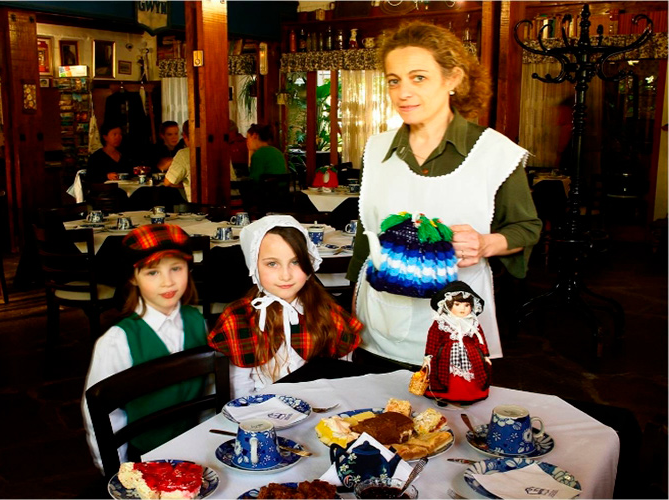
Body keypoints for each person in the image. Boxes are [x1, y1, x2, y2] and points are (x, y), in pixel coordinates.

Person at [347, 22, 541, 371]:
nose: (403, 92)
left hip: (455, 325)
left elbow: (526, 227)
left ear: (453, 79)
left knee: (446, 421)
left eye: (418, 77)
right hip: (377, 322)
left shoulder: (495, 154)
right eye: (394, 80)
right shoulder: (375, 150)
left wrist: (486, 243)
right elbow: (366, 236)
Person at [81, 224, 208, 472]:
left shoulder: (198, 323)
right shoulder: (117, 342)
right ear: (133, 277)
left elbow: (208, 391)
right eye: (153, 272)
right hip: (146, 459)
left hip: (197, 448)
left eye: (176, 268)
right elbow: (104, 415)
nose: (168, 281)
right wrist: (115, 470)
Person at [208, 215, 362, 397]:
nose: (285, 275)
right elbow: (239, 387)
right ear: (254, 266)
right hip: (261, 412)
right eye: (272, 264)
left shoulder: (327, 312)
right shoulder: (240, 318)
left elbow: (342, 375)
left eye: (295, 262)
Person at [424, 281, 491, 406]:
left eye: (467, 305)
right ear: (448, 305)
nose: (462, 308)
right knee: (443, 374)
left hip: (470, 354)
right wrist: (428, 356)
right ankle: (442, 396)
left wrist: (485, 355)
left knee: (472, 373)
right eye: (457, 304)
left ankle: (467, 396)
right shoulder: (441, 321)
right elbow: (432, 339)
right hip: (445, 354)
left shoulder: (472, 322)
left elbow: (480, 338)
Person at [164, 120, 192, 201]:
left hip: (197, 207)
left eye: (176, 134)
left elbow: (167, 182)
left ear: (184, 136)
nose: (174, 137)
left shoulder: (184, 154)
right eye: (170, 134)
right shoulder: (222, 152)